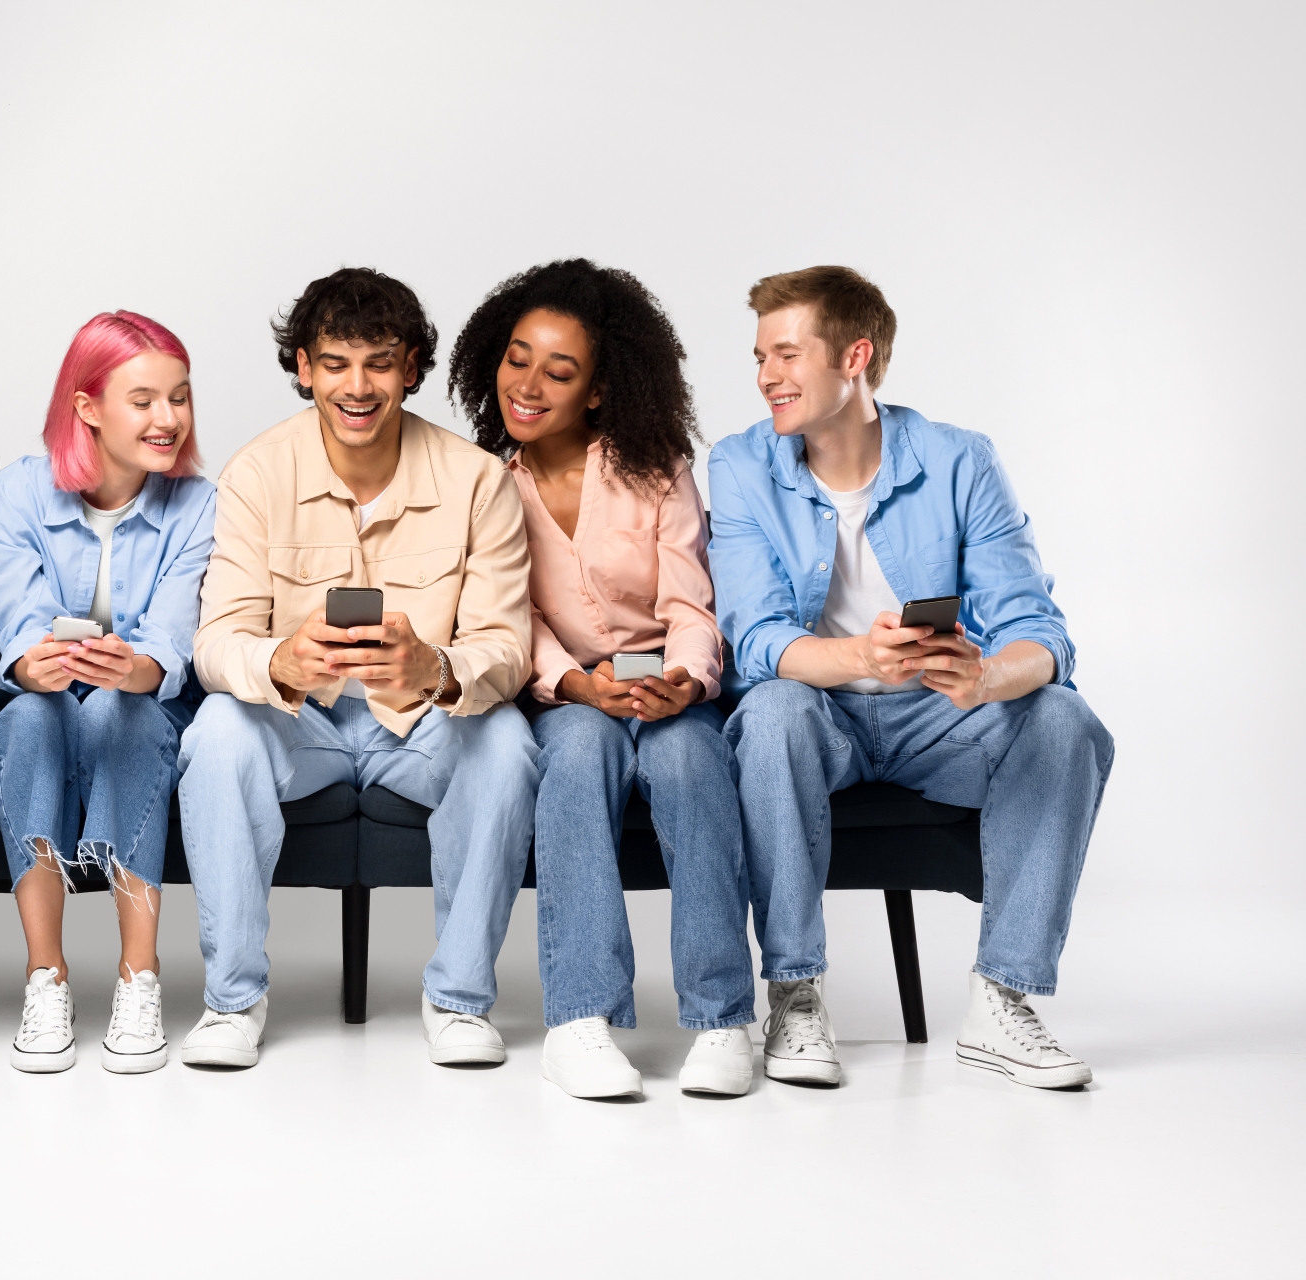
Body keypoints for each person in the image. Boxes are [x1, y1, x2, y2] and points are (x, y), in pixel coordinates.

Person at [709, 266, 1115, 1090]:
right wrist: (862, 656)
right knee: (775, 710)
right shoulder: (741, 464)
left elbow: (1041, 633)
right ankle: (793, 994)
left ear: (854, 356)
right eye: (759, 357)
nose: (765, 377)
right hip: (819, 713)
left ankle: (1003, 997)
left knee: (1064, 718)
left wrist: (987, 677)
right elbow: (754, 642)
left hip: (938, 716)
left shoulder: (960, 459)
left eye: (787, 355)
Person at [176, 267, 539, 1069]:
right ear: (303, 366)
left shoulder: (479, 480)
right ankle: (232, 1000)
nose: (358, 386)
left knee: (507, 740)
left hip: (422, 728)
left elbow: (506, 649)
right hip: (298, 722)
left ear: (412, 367)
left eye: (379, 362)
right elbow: (216, 641)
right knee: (217, 733)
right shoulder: (257, 473)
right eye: (335, 363)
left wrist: (435, 668)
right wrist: (283, 658)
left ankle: (460, 1000)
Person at [447, 259, 757, 1099]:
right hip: (567, 692)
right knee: (577, 760)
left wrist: (684, 684)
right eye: (518, 358)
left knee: (692, 764)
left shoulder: (655, 466)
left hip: (666, 686)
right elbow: (510, 614)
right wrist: (575, 686)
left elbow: (690, 602)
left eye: (560, 369)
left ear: (597, 389)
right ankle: (580, 1020)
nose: (530, 384)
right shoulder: (486, 483)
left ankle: (724, 1018)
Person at [0, 311, 215, 1075]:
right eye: (143, 400)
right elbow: (16, 626)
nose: (168, 419)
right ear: (86, 407)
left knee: (120, 710)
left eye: (179, 398)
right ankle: (46, 974)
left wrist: (132, 669)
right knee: (29, 718)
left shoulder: (198, 503)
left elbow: (173, 643)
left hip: (139, 708)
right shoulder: (12, 494)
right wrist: (34, 662)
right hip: (45, 706)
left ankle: (137, 975)